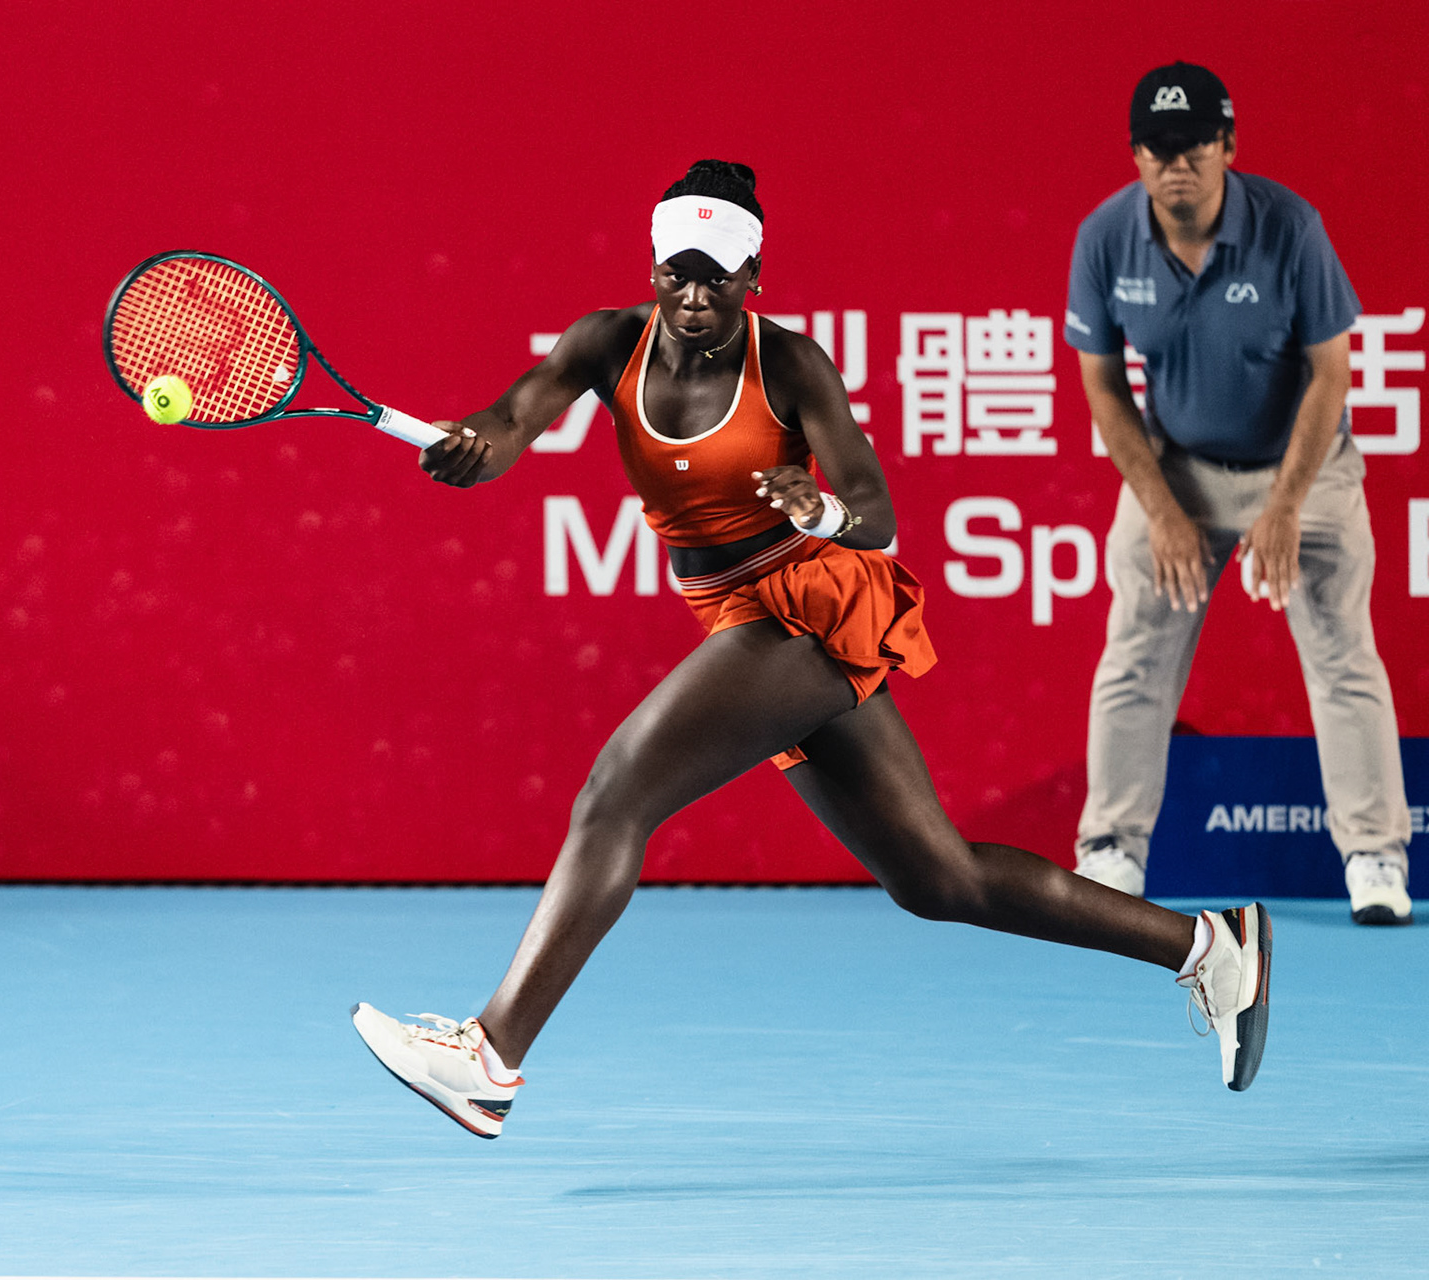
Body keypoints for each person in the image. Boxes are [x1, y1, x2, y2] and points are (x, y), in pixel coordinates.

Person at [351, 159, 1272, 1139]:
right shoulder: (603, 341)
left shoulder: (790, 364)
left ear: (755, 276)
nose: (695, 296)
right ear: (653, 267)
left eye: (719, 276)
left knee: (616, 790)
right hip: (742, 619)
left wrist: (820, 505)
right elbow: (513, 417)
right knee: (938, 878)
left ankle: (490, 1055)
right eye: (678, 273)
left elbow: (875, 513)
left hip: (809, 604)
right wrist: (474, 448)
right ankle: (1209, 945)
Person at [1064, 63, 1413, 926]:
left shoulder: (1290, 227)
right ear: (1137, 153)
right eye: (1157, 147)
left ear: (1227, 145)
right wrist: (1162, 509)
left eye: (1192, 146)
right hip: (1176, 467)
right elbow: (1103, 385)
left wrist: (1286, 507)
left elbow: (1331, 374)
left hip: (1303, 465)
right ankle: (1110, 849)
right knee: (1135, 652)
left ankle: (1374, 853)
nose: (1174, 164)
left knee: (1342, 652)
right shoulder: (1106, 237)